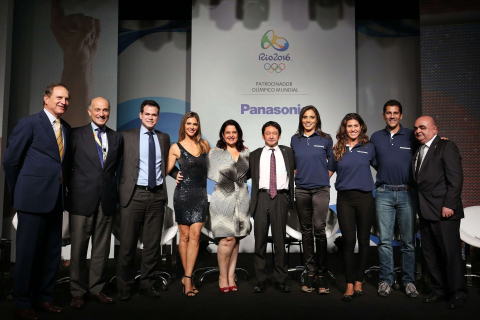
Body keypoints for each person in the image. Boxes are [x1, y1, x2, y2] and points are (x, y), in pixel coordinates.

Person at [3, 83, 71, 320]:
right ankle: (22, 301)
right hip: (31, 199)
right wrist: (20, 189)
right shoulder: (29, 123)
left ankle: (44, 298)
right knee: (27, 253)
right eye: (59, 97)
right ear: (46, 98)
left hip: (56, 200)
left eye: (67, 98)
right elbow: (10, 161)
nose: (64, 101)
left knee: (52, 253)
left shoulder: (67, 128)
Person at [116, 100, 178, 301]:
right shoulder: (126, 136)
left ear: (158, 117)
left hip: (157, 195)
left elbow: (166, 165)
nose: (151, 117)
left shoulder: (164, 137)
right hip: (134, 195)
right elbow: (114, 164)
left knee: (152, 245)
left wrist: (177, 173)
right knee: (128, 244)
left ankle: (147, 284)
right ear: (141, 115)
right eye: (147, 114)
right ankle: (124, 286)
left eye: (154, 114)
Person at [68, 97, 123, 309]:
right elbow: (67, 166)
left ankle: (96, 289)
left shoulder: (116, 137)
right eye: (97, 110)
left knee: (101, 249)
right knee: (78, 249)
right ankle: (77, 291)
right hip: (82, 199)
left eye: (105, 110)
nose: (102, 114)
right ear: (89, 111)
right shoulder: (76, 134)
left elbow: (114, 169)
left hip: (106, 200)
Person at [413, 116, 468, 309]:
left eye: (423, 127)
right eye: (416, 128)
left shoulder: (446, 146)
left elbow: (455, 178)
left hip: (444, 211)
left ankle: (458, 292)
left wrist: (449, 205)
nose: (418, 131)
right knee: (431, 254)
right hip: (425, 211)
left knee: (450, 253)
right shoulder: (418, 151)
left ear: (434, 129)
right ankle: (439, 289)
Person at [370, 100, 419, 298]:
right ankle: (386, 281)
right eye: (388, 113)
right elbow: (374, 162)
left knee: (408, 241)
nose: (392, 116)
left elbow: (427, 151)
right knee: (385, 241)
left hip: (407, 193)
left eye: (395, 113)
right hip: (384, 193)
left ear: (401, 115)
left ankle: (409, 282)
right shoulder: (376, 137)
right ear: (384, 115)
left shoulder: (411, 136)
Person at [328, 113, 376, 302]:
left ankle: (359, 280)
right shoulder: (338, 148)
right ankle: (349, 284)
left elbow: (384, 166)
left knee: (364, 240)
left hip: (365, 198)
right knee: (348, 241)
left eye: (356, 125)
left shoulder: (369, 147)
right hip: (345, 199)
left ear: (361, 127)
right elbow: (328, 172)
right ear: (344, 128)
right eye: (349, 126)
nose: (353, 129)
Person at [290, 106, 333, 294]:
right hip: (301, 191)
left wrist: (322, 178)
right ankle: (310, 272)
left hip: (321, 190)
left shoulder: (326, 139)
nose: (308, 120)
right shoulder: (295, 139)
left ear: (317, 120)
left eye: (312, 117)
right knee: (306, 231)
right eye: (305, 117)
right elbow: (292, 163)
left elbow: (332, 163)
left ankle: (321, 274)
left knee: (319, 230)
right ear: (301, 119)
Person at [166, 112, 210, 297]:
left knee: (196, 235)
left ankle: (187, 276)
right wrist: (176, 174)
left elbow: (215, 162)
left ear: (198, 126)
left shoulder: (204, 145)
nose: (192, 127)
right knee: (183, 237)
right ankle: (187, 277)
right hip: (183, 195)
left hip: (200, 195)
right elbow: (167, 169)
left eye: (195, 124)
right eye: (189, 123)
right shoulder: (175, 147)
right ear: (184, 125)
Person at [250, 121, 295, 293]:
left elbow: (298, 169)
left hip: (281, 198)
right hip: (261, 197)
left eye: (274, 133)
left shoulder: (289, 152)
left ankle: (280, 279)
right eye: (267, 133)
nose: (271, 136)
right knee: (259, 241)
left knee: (279, 240)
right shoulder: (254, 155)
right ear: (262, 136)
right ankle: (261, 280)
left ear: (279, 135)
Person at [208, 119, 250, 292]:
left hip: (242, 199)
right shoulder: (214, 153)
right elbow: (212, 174)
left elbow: (250, 174)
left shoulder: (246, 152)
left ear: (238, 134)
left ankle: (231, 276)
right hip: (222, 200)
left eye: (234, 132)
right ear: (223, 135)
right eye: (228, 132)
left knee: (236, 238)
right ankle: (222, 276)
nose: (231, 135)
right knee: (226, 239)